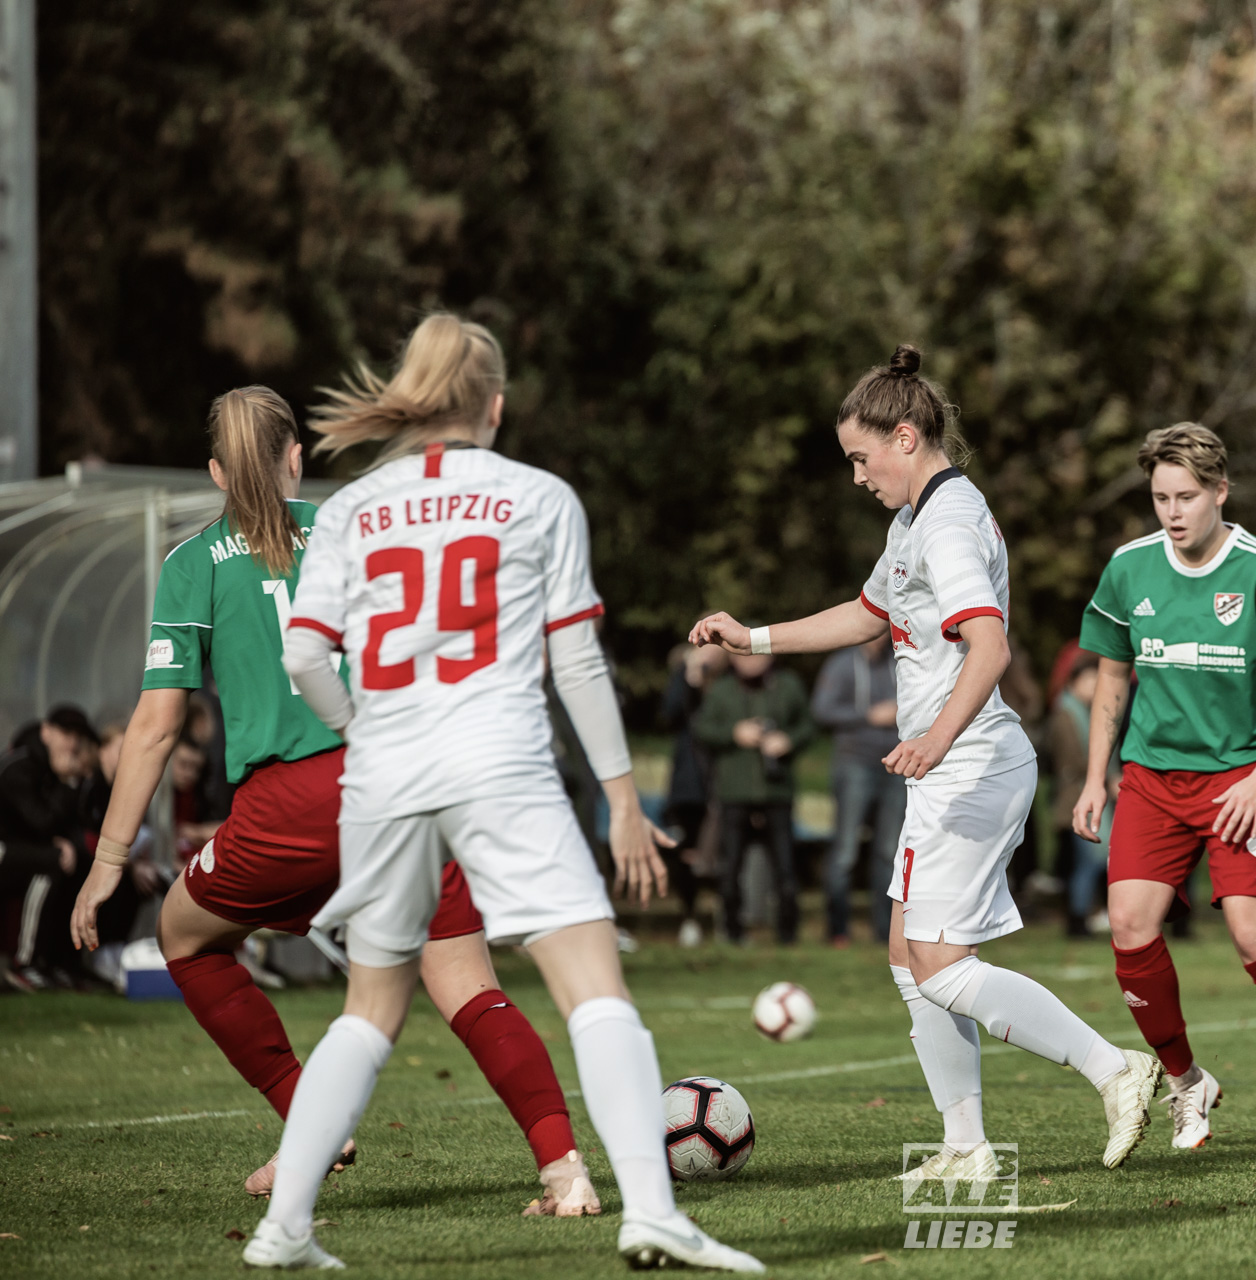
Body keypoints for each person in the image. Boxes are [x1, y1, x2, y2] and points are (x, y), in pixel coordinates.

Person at [256, 316, 760, 1271]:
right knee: (591, 987)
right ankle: (651, 1214)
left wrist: (361, 729)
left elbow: (302, 655)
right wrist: (620, 800)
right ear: (494, 404)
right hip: (501, 761)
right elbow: (575, 661)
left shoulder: (354, 508)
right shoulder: (540, 497)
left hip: (385, 773)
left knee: (370, 1009)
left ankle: (284, 1230)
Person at [67, 385, 600, 1214]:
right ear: (296, 459)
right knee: (465, 982)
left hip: (287, 805)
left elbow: (154, 726)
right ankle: (563, 1171)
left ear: (214, 473)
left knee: (187, 938)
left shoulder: (189, 565)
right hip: (400, 779)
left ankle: (304, 1123)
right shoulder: (356, 526)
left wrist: (107, 861)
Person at [690, 344, 1161, 1181]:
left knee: (940, 963)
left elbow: (989, 646)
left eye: (861, 458)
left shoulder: (945, 525)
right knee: (910, 956)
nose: (858, 476)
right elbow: (867, 614)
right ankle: (967, 1147)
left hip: (972, 762)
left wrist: (935, 738)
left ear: (905, 437)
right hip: (950, 766)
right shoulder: (916, 518)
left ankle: (1115, 1068)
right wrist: (752, 636)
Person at [1073, 422, 1256, 1154]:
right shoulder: (1129, 569)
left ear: (1220, 491)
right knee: (1130, 924)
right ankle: (1184, 1082)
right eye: (1161, 496)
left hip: (1239, 777)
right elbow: (1110, 675)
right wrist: (1096, 776)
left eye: (1188, 496)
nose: (1173, 511)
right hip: (1150, 779)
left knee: (1252, 938)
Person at [693, 651, 814, 945]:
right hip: (734, 792)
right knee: (731, 866)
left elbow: (809, 726)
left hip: (777, 792)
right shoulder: (721, 689)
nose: (750, 663)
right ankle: (733, 934)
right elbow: (700, 729)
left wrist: (788, 741)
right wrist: (734, 733)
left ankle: (788, 937)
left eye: (757, 656)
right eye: (743, 657)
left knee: (786, 868)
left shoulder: (788, 685)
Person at [812, 634, 906, 944]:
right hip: (855, 764)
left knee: (890, 851)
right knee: (846, 850)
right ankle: (838, 930)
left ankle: (885, 932)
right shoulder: (841, 665)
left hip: (897, 765)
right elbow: (822, 710)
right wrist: (868, 716)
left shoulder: (902, 662)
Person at [1, 706, 101, 989]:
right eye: (66, 733)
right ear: (46, 731)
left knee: (61, 865)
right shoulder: (19, 765)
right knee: (53, 860)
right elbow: (40, 821)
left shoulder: (50, 770)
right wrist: (66, 783)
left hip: (19, 852)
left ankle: (47, 962)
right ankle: (24, 964)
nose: (72, 743)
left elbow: (59, 826)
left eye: (77, 736)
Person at [661, 643, 729, 946]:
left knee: (724, 854)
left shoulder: (731, 683)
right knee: (687, 853)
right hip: (690, 786)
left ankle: (729, 922)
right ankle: (690, 918)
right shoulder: (684, 680)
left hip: (727, 780)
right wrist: (689, 677)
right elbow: (668, 716)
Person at [1051, 649, 1116, 936]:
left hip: (1087, 797)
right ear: (1073, 681)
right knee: (1088, 863)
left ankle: (1084, 916)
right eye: (1090, 680)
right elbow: (1070, 760)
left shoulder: (1085, 713)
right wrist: (1107, 775)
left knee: (1089, 862)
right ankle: (1078, 919)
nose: (1094, 687)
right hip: (1076, 800)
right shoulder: (1065, 715)